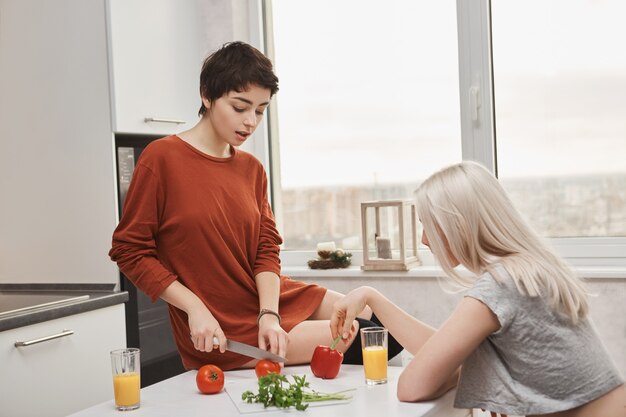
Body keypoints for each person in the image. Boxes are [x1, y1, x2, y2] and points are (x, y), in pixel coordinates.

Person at [109, 41, 401, 371]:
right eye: (240, 107)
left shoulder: (251, 169)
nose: (251, 121)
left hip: (268, 303)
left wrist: (269, 314)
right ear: (207, 95)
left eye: (260, 111)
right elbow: (129, 249)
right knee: (378, 336)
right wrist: (194, 307)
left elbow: (266, 248)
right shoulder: (161, 159)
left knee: (375, 314)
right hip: (223, 324)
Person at [331, 161, 624, 417]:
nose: (423, 239)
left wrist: (455, 372)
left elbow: (411, 387)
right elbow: (439, 350)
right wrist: (371, 297)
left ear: (455, 225)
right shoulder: (522, 269)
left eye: (428, 226)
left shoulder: (501, 284)